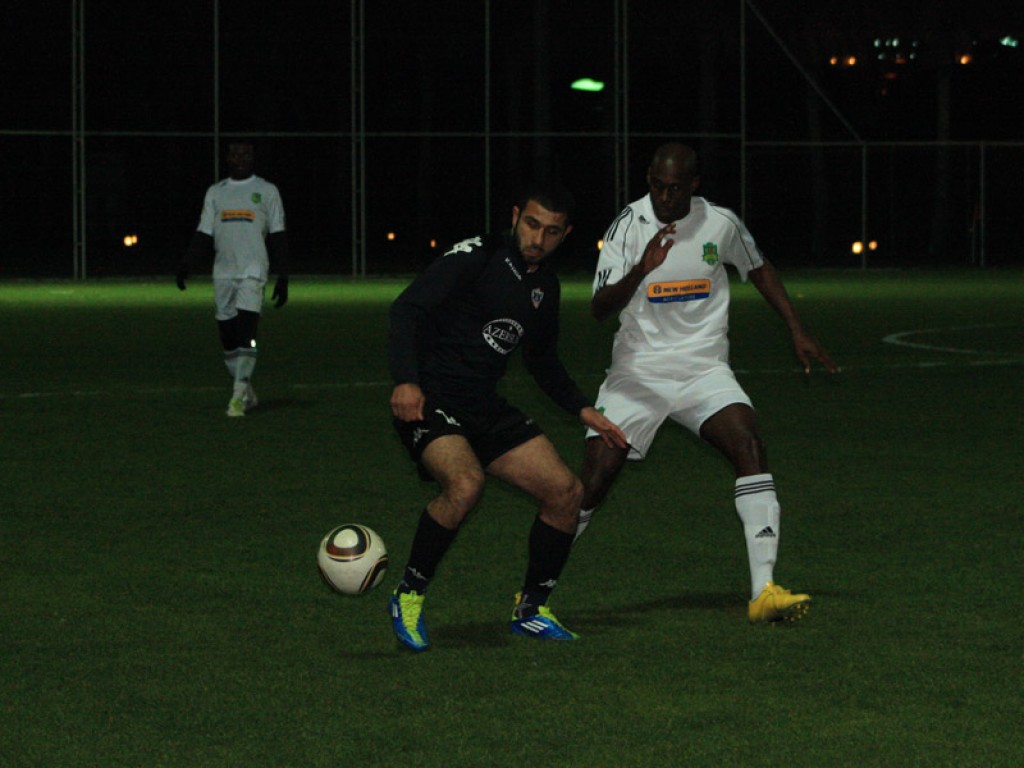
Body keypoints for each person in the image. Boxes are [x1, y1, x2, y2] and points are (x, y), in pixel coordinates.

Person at [577, 142, 837, 624]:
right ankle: (535, 591)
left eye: (675, 188)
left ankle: (763, 592)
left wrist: (796, 328)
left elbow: (758, 267)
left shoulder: (721, 223)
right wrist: (641, 269)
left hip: (703, 368)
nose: (665, 197)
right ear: (648, 179)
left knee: (749, 444)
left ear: (694, 185)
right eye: (658, 186)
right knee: (593, 480)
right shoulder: (628, 226)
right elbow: (598, 308)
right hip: (639, 370)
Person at [387, 181, 627, 652]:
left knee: (567, 492)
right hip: (432, 397)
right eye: (532, 224)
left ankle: (531, 611)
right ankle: (408, 596)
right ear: (516, 216)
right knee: (465, 485)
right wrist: (406, 380)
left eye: (552, 231)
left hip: (482, 403)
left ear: (565, 234)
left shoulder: (545, 287)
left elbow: (542, 360)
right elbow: (407, 309)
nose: (538, 238)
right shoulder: (476, 256)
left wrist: (584, 410)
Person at [176, 142, 290, 417]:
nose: (240, 158)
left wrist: (283, 275)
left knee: (247, 333)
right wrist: (187, 264)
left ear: (253, 158)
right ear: (227, 158)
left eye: (245, 154)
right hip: (223, 273)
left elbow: (278, 234)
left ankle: (237, 396)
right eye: (235, 154)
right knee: (228, 337)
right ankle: (246, 390)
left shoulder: (267, 190)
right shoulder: (216, 192)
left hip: (253, 271)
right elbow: (204, 232)